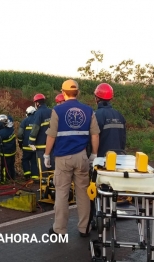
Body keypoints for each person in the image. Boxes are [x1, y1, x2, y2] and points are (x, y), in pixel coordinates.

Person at [43, 79, 100, 237]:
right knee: (83, 193)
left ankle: (60, 229)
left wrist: (47, 154)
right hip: (81, 157)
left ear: (63, 92)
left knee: (62, 192)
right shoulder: (88, 110)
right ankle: (84, 228)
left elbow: (51, 135)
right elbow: (95, 134)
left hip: (63, 158)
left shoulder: (57, 110)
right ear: (78, 92)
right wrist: (94, 154)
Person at [94, 83, 126, 157]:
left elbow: (93, 137)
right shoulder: (119, 115)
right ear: (111, 98)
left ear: (97, 98)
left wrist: (92, 154)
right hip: (117, 157)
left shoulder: (96, 115)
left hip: (101, 158)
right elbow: (123, 139)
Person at [28, 94, 54, 181]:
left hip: (41, 146)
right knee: (52, 166)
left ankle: (44, 186)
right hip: (52, 145)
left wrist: (31, 142)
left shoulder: (38, 113)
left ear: (37, 103)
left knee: (43, 167)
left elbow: (35, 127)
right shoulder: (51, 111)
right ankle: (53, 186)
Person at [17, 106, 38, 180]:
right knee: (34, 161)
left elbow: (20, 133)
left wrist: (20, 142)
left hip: (26, 145)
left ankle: (27, 175)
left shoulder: (25, 121)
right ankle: (35, 176)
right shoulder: (37, 120)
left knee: (25, 160)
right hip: (35, 146)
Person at [0, 114, 17, 181]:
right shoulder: (10, 126)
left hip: (5, 152)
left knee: (4, 167)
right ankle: (12, 178)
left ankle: (4, 180)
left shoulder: (2, 133)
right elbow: (10, 117)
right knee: (11, 165)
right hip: (12, 151)